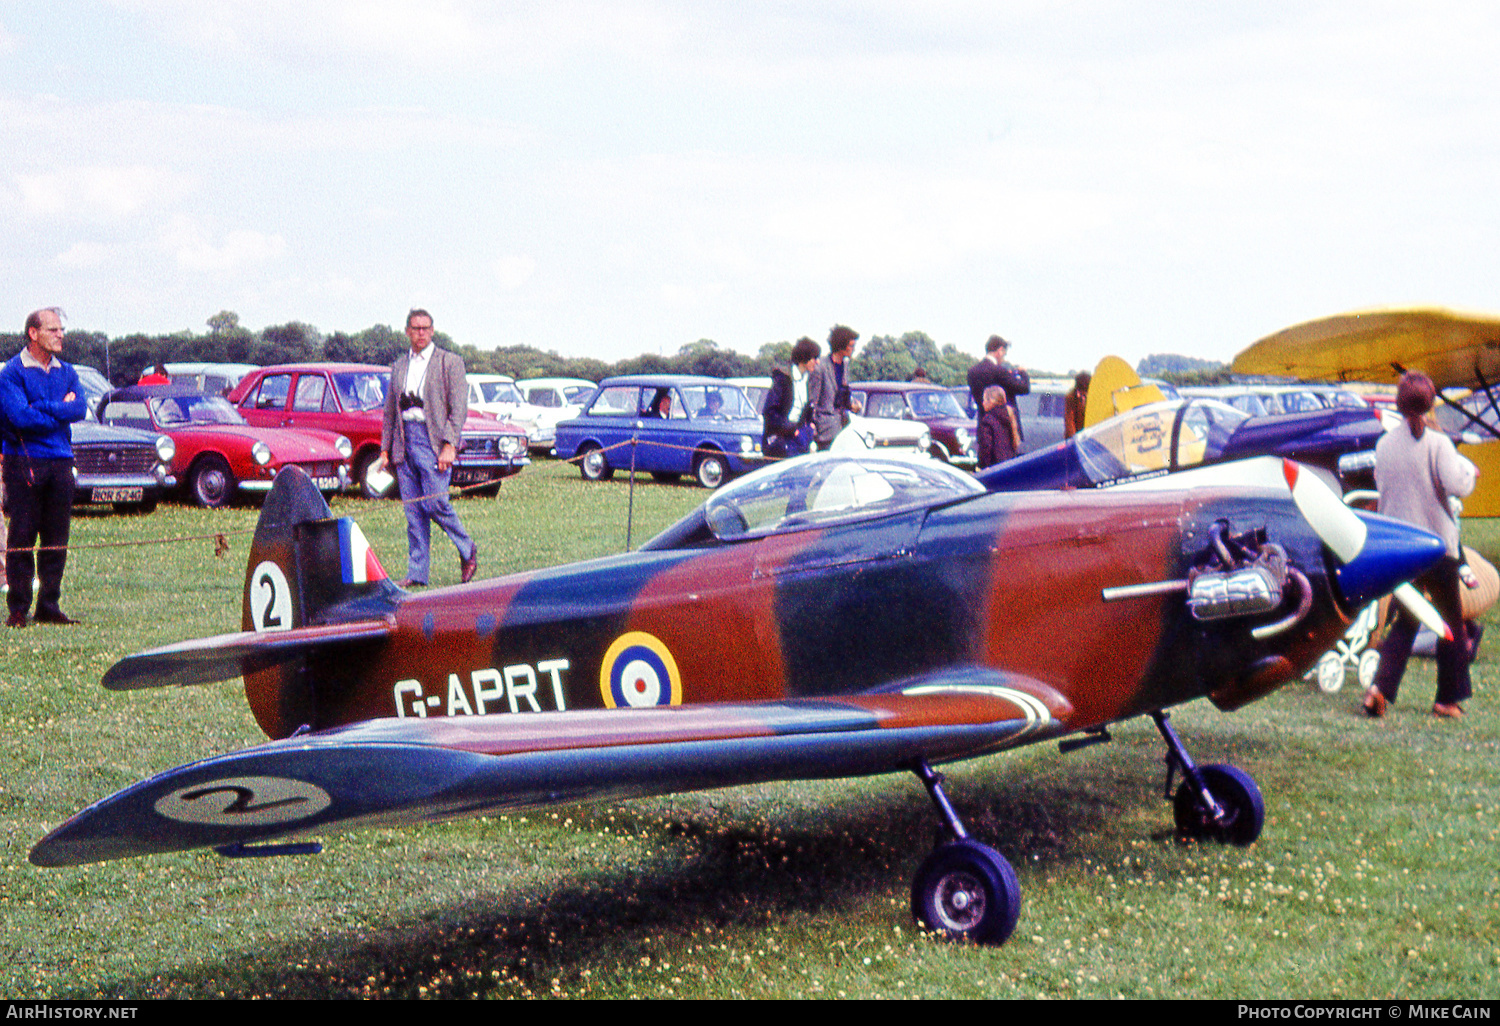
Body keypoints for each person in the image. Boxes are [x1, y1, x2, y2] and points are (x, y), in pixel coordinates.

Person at [1363, 371, 1478, 719]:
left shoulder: (1383, 445)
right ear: (1430, 404)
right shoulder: (1439, 444)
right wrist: (1471, 475)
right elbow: (1456, 485)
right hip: (1437, 545)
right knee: (1450, 622)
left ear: (1398, 403)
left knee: (1406, 620)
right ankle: (1447, 698)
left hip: (1400, 546)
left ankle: (1378, 688)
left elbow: (1384, 491)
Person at [379, 309, 479, 589]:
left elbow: (459, 408)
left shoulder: (450, 362)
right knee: (413, 512)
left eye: (425, 328)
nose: (420, 333)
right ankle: (417, 572)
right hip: (404, 440)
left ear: (432, 331)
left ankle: (467, 548)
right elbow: (389, 412)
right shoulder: (399, 365)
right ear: (407, 331)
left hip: (433, 440)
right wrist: (385, 449)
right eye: (415, 328)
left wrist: (450, 445)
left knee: (434, 502)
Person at [0, 308, 88, 626]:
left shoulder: (68, 371)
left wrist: (45, 407)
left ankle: (49, 605)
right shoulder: (12, 372)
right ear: (33, 334)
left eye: (61, 329)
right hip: (24, 461)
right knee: (22, 534)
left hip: (61, 460)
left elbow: (80, 408)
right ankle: (18, 609)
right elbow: (19, 417)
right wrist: (59, 411)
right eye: (53, 329)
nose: (60, 335)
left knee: (56, 536)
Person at [763, 337, 820, 458]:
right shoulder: (783, 379)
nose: (817, 362)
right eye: (815, 358)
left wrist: (810, 426)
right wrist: (791, 430)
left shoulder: (808, 380)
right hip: (782, 440)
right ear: (804, 358)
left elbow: (808, 409)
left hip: (800, 437)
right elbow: (769, 412)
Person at [967, 335, 1029, 443]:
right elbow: (1024, 388)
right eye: (1004, 354)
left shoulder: (972, 372)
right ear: (999, 351)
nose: (1003, 358)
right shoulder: (999, 372)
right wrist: (1023, 373)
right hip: (1003, 433)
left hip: (983, 429)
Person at [809, 325, 857, 449]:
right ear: (841, 346)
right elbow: (812, 402)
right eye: (851, 346)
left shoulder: (845, 365)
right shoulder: (821, 367)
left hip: (843, 428)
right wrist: (815, 428)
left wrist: (852, 406)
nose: (853, 349)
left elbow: (842, 398)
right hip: (825, 432)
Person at [976, 384, 1020, 469]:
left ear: (991, 401)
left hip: (994, 467)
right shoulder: (1009, 416)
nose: (983, 403)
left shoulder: (987, 420)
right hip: (1008, 465)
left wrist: (981, 466)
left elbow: (986, 447)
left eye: (984, 400)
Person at [1064, 371, 1091, 438]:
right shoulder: (1071, 397)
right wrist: (1074, 438)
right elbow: (1069, 420)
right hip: (1076, 437)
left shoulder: (1091, 397)